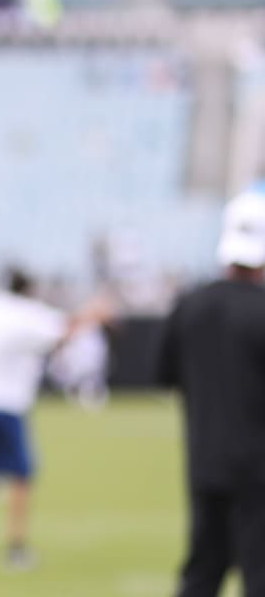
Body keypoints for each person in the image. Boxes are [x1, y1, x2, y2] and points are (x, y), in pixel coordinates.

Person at [0, 267, 101, 571]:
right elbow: (62, 332)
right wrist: (92, 315)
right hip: (4, 404)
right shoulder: (24, 313)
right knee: (20, 475)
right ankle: (15, 548)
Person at [157, 190, 265, 597]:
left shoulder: (190, 305)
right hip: (259, 468)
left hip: (205, 460)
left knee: (202, 572)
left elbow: (164, 375)